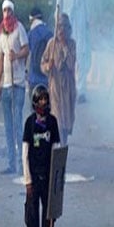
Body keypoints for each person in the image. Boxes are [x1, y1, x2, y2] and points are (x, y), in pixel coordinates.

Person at [22, 84, 61, 227]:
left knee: (49, 216)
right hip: (33, 177)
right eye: (40, 99)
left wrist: (56, 180)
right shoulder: (30, 123)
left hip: (48, 177)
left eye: (45, 98)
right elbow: (25, 153)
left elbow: (57, 150)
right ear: (35, 102)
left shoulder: (52, 122)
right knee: (31, 217)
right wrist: (27, 181)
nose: (43, 102)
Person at [0, 0, 29, 175]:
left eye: (9, 10)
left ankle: (21, 163)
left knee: (17, 125)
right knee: (8, 127)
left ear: (13, 12)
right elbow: (0, 57)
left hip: (18, 84)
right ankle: (11, 163)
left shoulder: (19, 29)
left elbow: (26, 49)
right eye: (4, 11)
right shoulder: (2, 32)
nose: (7, 14)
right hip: (7, 85)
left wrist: (16, 56)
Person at [56, 0, 90, 103]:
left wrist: (88, 20)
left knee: (80, 53)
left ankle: (82, 90)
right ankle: (67, 88)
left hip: (79, 21)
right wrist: (57, 20)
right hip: (66, 22)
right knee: (65, 53)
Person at [40, 13, 77, 146]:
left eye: (64, 27)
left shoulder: (72, 44)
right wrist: (47, 67)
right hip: (55, 88)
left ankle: (62, 150)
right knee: (58, 122)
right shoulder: (51, 44)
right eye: (59, 26)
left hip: (68, 89)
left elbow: (72, 64)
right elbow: (42, 64)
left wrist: (65, 47)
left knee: (66, 125)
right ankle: (56, 153)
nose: (62, 30)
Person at [27, 7, 53, 96]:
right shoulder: (50, 33)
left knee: (34, 107)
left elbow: (28, 52)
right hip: (47, 78)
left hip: (34, 78)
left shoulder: (30, 33)